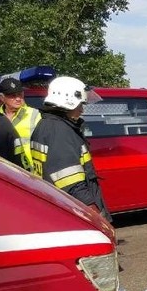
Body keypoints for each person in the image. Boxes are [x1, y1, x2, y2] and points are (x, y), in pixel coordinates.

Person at [30, 76, 111, 221]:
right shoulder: (60, 131)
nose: (82, 110)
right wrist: (95, 214)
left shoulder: (47, 125)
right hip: (76, 211)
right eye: (80, 105)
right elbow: (71, 182)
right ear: (68, 102)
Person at [0, 77, 41, 170]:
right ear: (2, 98)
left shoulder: (35, 114)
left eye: (20, 94)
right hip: (4, 171)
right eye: (12, 95)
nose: (18, 98)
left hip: (29, 173)